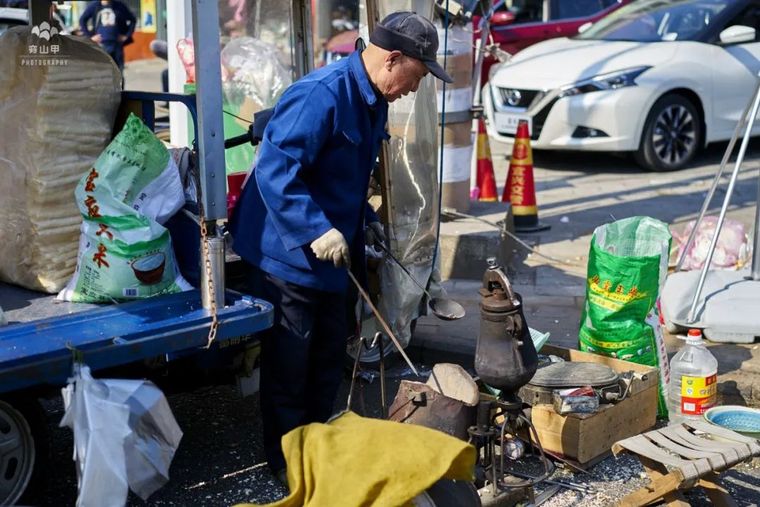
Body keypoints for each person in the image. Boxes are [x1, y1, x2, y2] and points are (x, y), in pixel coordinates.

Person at [229, 11, 453, 481]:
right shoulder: (321, 94)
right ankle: (289, 466)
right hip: (285, 253)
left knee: (329, 356)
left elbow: (341, 177)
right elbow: (275, 168)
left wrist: (364, 221)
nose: (414, 89)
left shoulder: (374, 99)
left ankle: (319, 448)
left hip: (333, 251)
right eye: (415, 77)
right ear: (393, 59)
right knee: (292, 365)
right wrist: (315, 229)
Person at [79, 0, 136, 70]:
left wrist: (127, 35)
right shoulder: (94, 6)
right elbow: (82, 20)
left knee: (118, 71)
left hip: (116, 45)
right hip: (101, 45)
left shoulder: (119, 6)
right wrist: (90, 37)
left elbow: (132, 20)